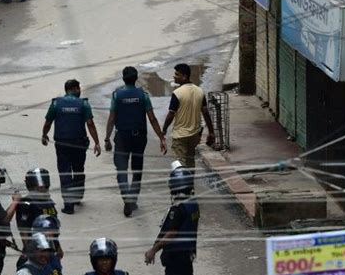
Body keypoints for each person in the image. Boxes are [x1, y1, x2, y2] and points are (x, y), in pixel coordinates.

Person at [144, 163, 199, 275]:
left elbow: (171, 233)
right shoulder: (193, 204)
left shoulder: (178, 208)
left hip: (176, 256)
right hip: (187, 255)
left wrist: (154, 249)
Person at [105, 66, 167, 217]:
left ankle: (127, 199)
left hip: (122, 138)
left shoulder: (117, 96)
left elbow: (112, 118)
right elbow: (152, 118)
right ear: (136, 78)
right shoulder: (143, 96)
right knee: (137, 169)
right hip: (139, 137)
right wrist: (161, 137)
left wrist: (107, 138)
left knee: (121, 170)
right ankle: (132, 200)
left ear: (123, 78)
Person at [42, 79, 101, 214]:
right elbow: (90, 124)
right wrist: (97, 142)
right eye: (78, 88)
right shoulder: (83, 104)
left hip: (62, 144)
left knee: (65, 172)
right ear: (74, 89)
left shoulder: (56, 104)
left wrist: (44, 135)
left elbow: (48, 122)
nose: (80, 91)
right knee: (78, 169)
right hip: (79, 144)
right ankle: (78, 196)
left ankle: (68, 205)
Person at [162, 63, 216, 170]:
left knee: (180, 165)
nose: (174, 76)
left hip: (180, 135)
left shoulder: (177, 93)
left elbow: (171, 114)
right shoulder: (199, 91)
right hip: (194, 135)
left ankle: (184, 186)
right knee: (190, 162)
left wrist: (164, 130)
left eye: (177, 74)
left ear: (184, 77)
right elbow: (205, 112)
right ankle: (190, 185)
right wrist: (211, 132)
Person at [16, 168, 58, 252]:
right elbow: (23, 230)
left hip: (50, 247)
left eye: (45, 187)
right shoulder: (26, 204)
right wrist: (28, 251)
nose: (44, 190)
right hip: (35, 248)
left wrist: (58, 247)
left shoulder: (48, 202)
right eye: (39, 188)